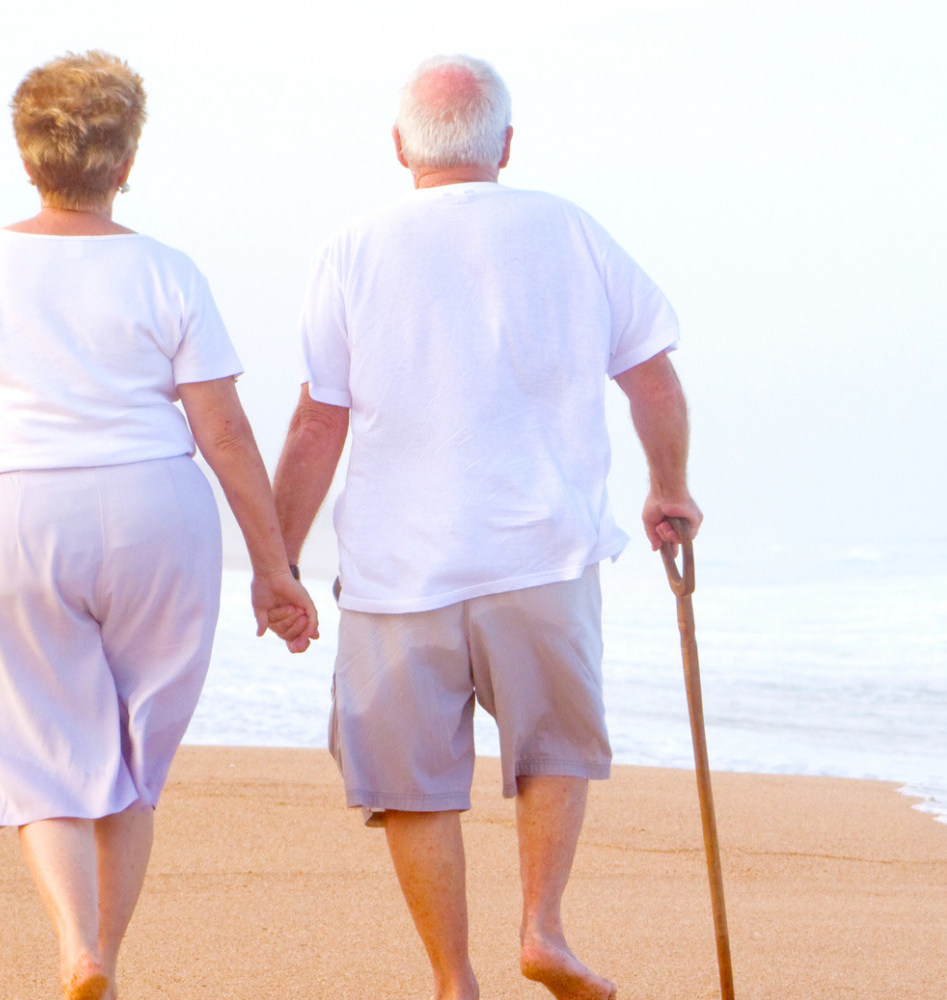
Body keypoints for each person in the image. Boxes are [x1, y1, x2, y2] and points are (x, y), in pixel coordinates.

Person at [271, 53, 698, 1000]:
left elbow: (317, 420)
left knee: (411, 779)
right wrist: (668, 487)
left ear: (399, 149)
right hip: (540, 551)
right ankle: (542, 928)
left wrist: (279, 558)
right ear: (506, 144)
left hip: (396, 568)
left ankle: (452, 980)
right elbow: (653, 376)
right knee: (552, 748)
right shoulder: (570, 228)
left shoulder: (353, 247)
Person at [0, 50, 317, 1000]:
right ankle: (108, 963)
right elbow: (225, 432)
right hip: (155, 516)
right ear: (125, 163)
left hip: (10, 517)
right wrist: (274, 566)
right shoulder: (168, 271)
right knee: (132, 752)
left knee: (41, 744)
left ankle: (78, 951)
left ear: (25, 152)